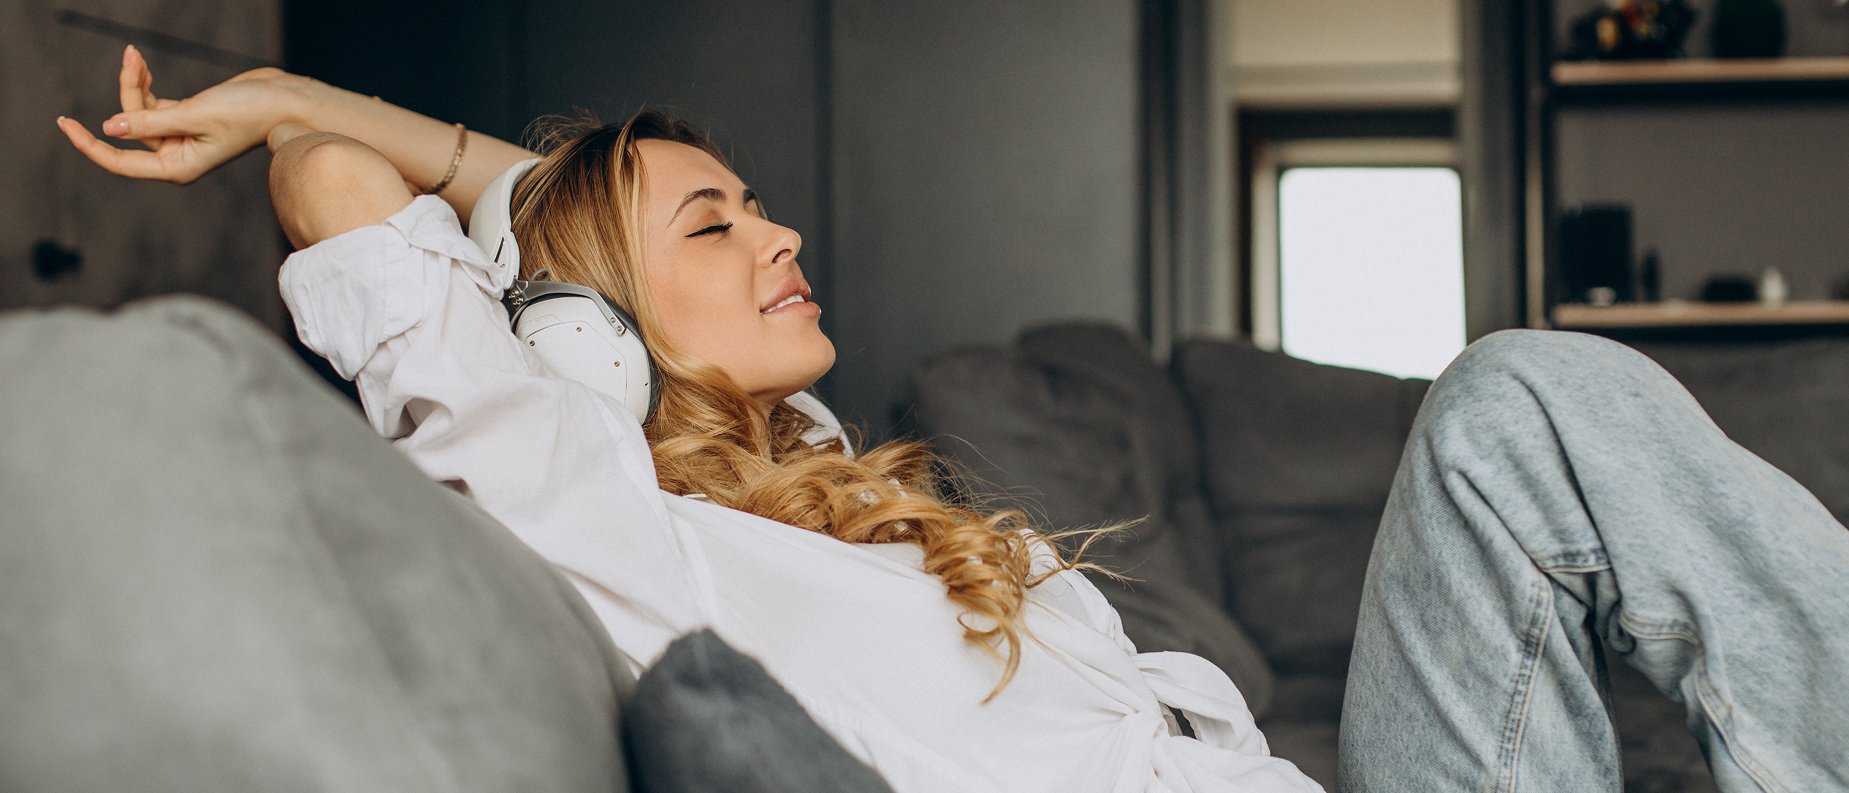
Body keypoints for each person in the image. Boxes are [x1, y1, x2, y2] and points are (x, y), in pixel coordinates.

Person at [59, 47, 1849, 793]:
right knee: (1526, 397)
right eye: (719, 225)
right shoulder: (603, 513)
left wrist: (562, 204)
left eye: (761, 205)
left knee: (1517, 399)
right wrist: (293, 110)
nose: (780, 236)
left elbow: (544, 198)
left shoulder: (811, 470)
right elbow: (354, 195)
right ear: (590, 317)